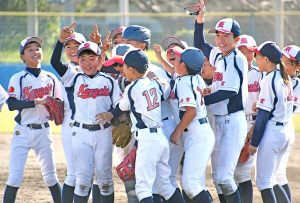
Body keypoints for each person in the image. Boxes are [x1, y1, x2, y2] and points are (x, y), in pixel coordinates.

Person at [102, 47, 185, 203]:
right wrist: (159, 80)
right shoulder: (155, 84)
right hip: (160, 138)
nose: (123, 70)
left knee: (143, 188)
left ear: (132, 70)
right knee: (165, 187)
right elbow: (167, 89)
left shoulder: (132, 87)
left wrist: (111, 114)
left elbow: (123, 107)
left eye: (124, 67)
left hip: (147, 139)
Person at [51, 27, 122, 202]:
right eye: (83, 59)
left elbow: (121, 104)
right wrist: (60, 42)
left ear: (99, 60)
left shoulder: (109, 81)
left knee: (105, 180)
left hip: (103, 133)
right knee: (82, 181)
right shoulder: (73, 78)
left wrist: (112, 114)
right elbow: (55, 63)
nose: (87, 62)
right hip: (80, 133)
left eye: (92, 58)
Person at [194, 1, 249, 202]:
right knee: (218, 179)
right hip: (217, 120)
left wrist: (202, 99)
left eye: (226, 36)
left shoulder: (236, 58)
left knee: (225, 178)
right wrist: (199, 20)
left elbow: (228, 91)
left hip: (233, 121)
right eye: (218, 35)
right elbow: (199, 45)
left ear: (236, 38)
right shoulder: (219, 54)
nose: (220, 40)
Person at [3, 36, 62, 203]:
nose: (35, 52)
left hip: (44, 131)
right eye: (30, 49)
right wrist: (35, 102)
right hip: (22, 132)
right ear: (22, 56)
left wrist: (56, 110)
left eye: (37, 48)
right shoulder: (18, 78)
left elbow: (60, 103)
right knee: (14, 178)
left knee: (51, 177)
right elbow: (12, 104)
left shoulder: (51, 78)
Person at [249, 41, 293, 203]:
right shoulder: (283, 76)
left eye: (258, 57)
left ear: (266, 59)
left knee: (264, 182)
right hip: (285, 131)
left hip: (273, 132)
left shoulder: (269, 79)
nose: (256, 60)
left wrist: (254, 142)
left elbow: (264, 114)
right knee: (273, 179)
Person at [169, 46, 215, 202]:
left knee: (190, 184)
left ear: (183, 66)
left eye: (178, 60)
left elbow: (191, 111)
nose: (176, 61)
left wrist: (176, 132)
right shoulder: (196, 78)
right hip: (199, 132)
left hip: (197, 133)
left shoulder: (184, 81)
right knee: (194, 183)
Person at [234, 34, 262, 203]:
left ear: (254, 53)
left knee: (242, 172)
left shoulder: (260, 74)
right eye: (240, 50)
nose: (244, 54)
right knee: (231, 172)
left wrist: (253, 131)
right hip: (235, 122)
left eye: (247, 51)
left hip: (252, 122)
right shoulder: (233, 72)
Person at [275, 44, 300, 202]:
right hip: (275, 127)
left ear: (297, 66)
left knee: (274, 176)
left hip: (283, 127)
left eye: (286, 61)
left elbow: (290, 109)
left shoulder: (297, 84)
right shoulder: (277, 78)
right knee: (276, 175)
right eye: (281, 60)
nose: (281, 65)